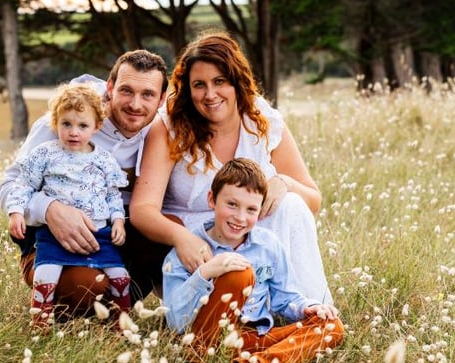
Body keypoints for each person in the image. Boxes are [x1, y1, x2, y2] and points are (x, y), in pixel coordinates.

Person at [130, 31, 333, 304]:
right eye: (199, 85)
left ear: (237, 82)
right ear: (188, 89)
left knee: (292, 205)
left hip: (248, 233)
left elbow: (313, 200)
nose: (210, 94)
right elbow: (142, 209)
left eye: (219, 81)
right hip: (196, 245)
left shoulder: (261, 119)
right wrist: (182, 238)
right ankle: (235, 313)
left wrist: (284, 183)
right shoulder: (172, 126)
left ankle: (311, 309)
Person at [0, 50, 168, 319]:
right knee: (85, 287)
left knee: (162, 240)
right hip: (50, 236)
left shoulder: (162, 132)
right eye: (126, 91)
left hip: (113, 233)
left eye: (147, 94)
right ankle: (59, 293)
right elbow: (9, 186)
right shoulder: (68, 119)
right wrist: (49, 209)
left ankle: (120, 307)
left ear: (162, 99)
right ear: (110, 88)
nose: (135, 104)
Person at [162, 158, 344, 363]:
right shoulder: (189, 248)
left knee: (331, 326)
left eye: (251, 210)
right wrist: (205, 273)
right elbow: (175, 320)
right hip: (206, 340)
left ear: (260, 211)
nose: (240, 217)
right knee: (239, 273)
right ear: (212, 200)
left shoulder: (268, 245)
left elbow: (286, 298)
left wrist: (307, 307)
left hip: (253, 338)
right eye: (232, 204)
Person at [6, 84, 131, 328]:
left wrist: (118, 221)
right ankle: (40, 322)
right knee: (46, 275)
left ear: (97, 126)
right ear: (55, 123)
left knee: (121, 277)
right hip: (55, 235)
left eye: (82, 126)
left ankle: (122, 325)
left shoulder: (104, 160)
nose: (74, 132)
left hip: (98, 235)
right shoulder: (45, 154)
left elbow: (113, 195)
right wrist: (16, 212)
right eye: (66, 124)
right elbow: (24, 185)